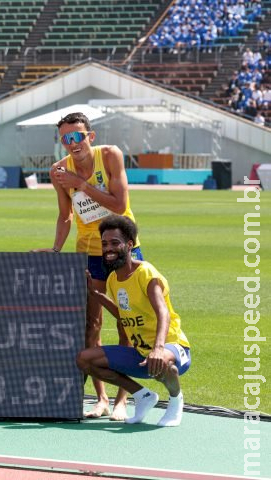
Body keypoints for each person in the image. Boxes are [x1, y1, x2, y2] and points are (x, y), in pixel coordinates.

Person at [33, 111, 143, 421]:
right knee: (90, 325)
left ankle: (124, 400)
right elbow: (65, 215)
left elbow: (120, 205)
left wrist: (80, 183)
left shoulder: (109, 156)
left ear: (89, 137)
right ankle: (102, 399)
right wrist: (55, 248)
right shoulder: (58, 171)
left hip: (122, 250)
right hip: (88, 253)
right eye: (66, 138)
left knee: (127, 321)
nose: (72, 143)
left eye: (77, 136)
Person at [77, 216, 191, 427]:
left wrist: (158, 348)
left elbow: (162, 313)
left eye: (114, 243)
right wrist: (96, 295)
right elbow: (124, 315)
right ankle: (142, 395)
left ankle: (176, 400)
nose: (108, 248)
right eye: (104, 244)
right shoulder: (113, 279)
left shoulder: (146, 273)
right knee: (84, 359)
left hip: (173, 348)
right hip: (141, 355)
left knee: (165, 364)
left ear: (129, 245)